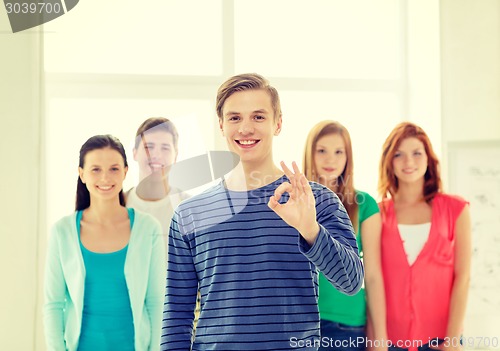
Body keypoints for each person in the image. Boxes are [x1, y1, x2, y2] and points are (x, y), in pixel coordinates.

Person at [161, 73, 364, 351]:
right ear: (221, 125)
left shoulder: (316, 200)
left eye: (258, 117)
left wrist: (310, 231)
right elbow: (176, 315)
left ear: (277, 123)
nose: (245, 128)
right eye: (234, 118)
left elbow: (352, 282)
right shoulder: (190, 214)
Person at [44, 135, 165, 351]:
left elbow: (156, 302)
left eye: (114, 169)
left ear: (125, 172)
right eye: (96, 169)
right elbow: (53, 304)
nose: (105, 178)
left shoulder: (149, 228)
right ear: (82, 174)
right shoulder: (62, 232)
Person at [378, 122, 471, 351]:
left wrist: (451, 340)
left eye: (417, 153)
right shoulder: (377, 213)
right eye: (399, 154)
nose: (409, 162)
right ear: (389, 161)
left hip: (441, 341)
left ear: (428, 159)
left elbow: (463, 277)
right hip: (389, 341)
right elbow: (372, 281)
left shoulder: (456, 209)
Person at [303, 120, 387, 351]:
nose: (331, 159)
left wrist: (379, 338)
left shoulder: (365, 204)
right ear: (310, 153)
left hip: (347, 325)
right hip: (301, 323)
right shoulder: (293, 201)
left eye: (339, 151)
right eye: (322, 150)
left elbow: (373, 276)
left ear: (348, 156)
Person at [126, 117, 190, 244]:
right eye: (149, 147)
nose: (156, 155)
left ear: (175, 155)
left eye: (165, 148)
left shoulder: (189, 208)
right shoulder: (118, 204)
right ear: (134, 153)